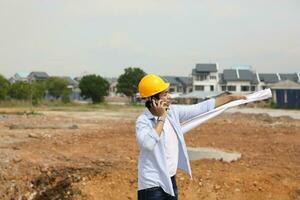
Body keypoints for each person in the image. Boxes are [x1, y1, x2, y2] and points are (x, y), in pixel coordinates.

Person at [135, 74, 246, 200]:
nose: (169, 97)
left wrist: (229, 98)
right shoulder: (143, 121)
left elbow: (200, 108)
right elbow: (148, 144)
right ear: (152, 99)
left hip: (170, 181)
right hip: (152, 186)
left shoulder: (173, 112)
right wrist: (161, 118)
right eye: (165, 94)